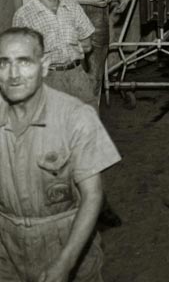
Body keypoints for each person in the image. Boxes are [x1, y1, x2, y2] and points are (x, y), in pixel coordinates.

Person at [0, 27, 121, 281]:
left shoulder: (75, 117)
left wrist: (65, 263)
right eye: (3, 63)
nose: (13, 75)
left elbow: (92, 196)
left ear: (44, 65)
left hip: (68, 244)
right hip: (7, 253)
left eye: (24, 62)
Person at [12, 0, 96, 108]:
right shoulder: (24, 15)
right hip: (46, 80)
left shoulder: (72, 6)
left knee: (89, 119)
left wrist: (72, 48)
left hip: (77, 76)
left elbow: (88, 44)